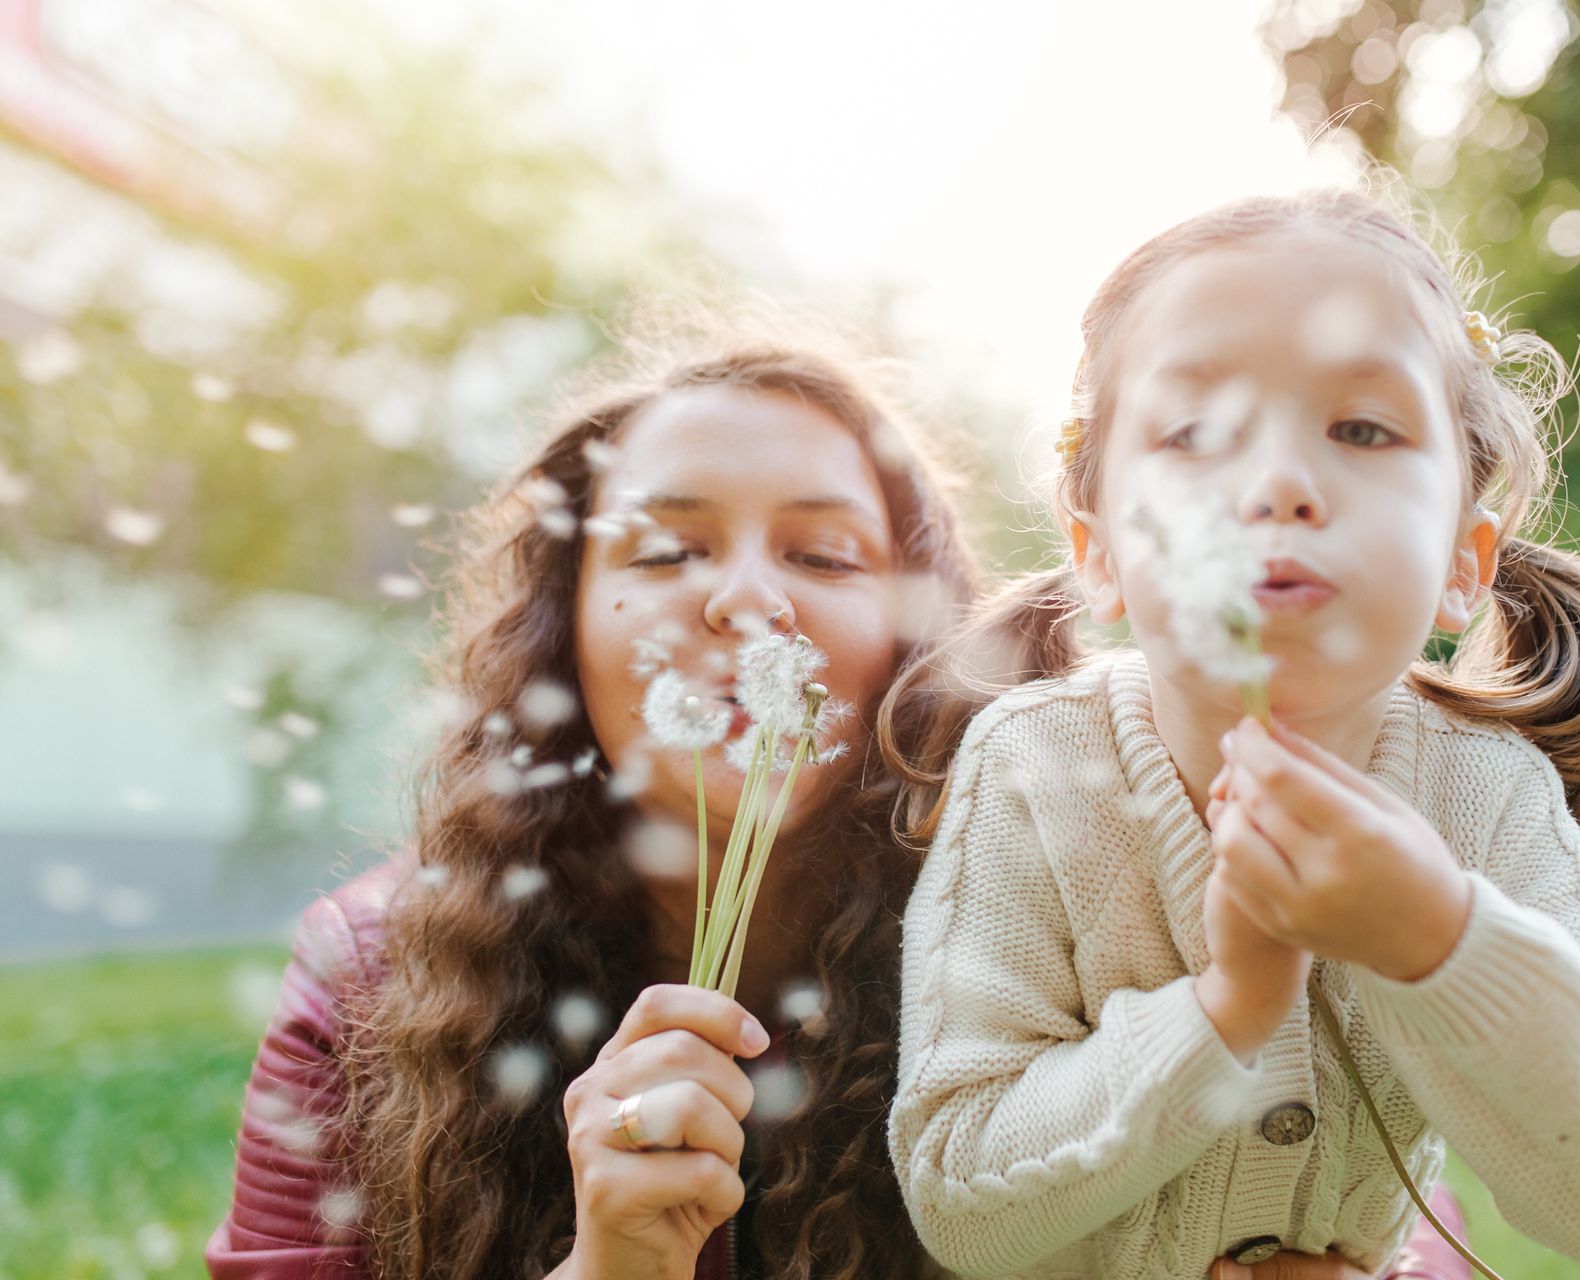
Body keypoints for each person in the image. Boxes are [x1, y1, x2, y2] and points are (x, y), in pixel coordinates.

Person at [206, 329, 1472, 1280]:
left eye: (822, 555)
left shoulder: (1096, 915)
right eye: (663, 550)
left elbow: (1391, 1206)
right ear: (560, 632)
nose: (747, 601)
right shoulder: (372, 978)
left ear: (919, 649)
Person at [885, 187, 1580, 1280]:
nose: (1282, 482)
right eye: (1197, 431)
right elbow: (959, 1190)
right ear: (1096, 552)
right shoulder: (1033, 769)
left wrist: (1436, 941)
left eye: (1361, 428)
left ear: (1463, 559)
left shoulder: (1482, 795)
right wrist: (1227, 1010)